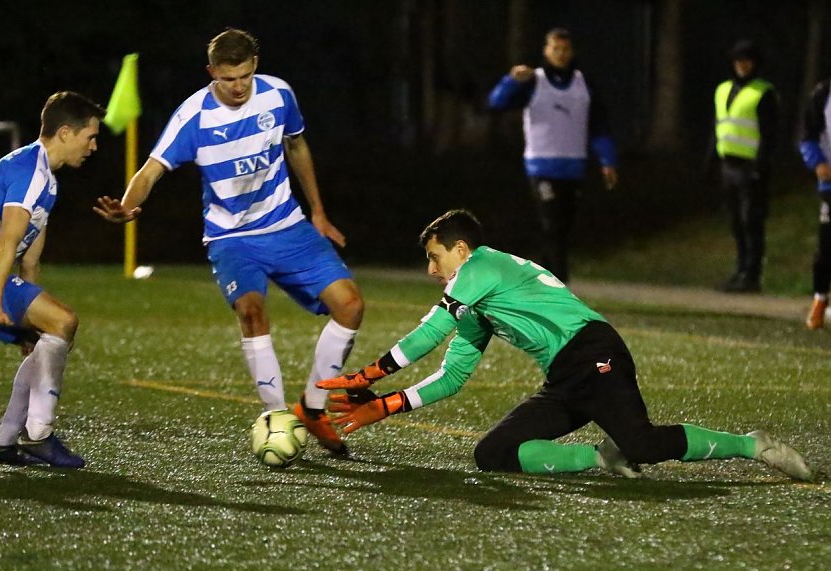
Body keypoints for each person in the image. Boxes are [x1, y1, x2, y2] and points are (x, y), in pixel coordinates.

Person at [316, 209, 812, 481]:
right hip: (565, 374)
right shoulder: (476, 300)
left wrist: (369, 376)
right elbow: (452, 375)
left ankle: (753, 445)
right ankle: (602, 458)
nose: (431, 269)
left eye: (434, 256)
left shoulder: (482, 266)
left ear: (460, 251)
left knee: (642, 441)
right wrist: (388, 405)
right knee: (493, 453)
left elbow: (429, 332)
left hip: (593, 350)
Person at [94, 28, 362, 455]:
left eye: (243, 77)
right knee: (252, 311)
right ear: (211, 72)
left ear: (255, 64)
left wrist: (318, 211)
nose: (237, 87)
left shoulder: (278, 95)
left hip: (287, 225)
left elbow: (297, 145)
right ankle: (276, 415)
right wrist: (128, 206)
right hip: (231, 237)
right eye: (227, 79)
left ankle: (312, 408)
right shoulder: (193, 117)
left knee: (350, 306)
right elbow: (150, 171)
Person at [0, 91, 105, 468]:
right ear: (65, 132)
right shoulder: (30, 170)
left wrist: (30, 320)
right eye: (90, 137)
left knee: (52, 328)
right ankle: (38, 434)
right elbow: (7, 241)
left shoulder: (47, 179)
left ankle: (5, 441)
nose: (94, 147)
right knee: (63, 321)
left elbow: (29, 258)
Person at [487, 28, 617, 283]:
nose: (560, 54)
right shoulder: (533, 81)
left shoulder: (583, 84)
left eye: (565, 49)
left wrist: (608, 160)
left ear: (572, 51)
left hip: (574, 168)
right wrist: (511, 81)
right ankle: (561, 286)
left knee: (562, 229)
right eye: (555, 48)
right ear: (546, 50)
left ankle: (539, 280)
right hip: (542, 167)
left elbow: (599, 125)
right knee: (553, 225)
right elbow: (495, 104)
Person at [711, 40, 778, 293]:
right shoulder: (723, 89)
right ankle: (740, 270)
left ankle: (752, 275)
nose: (742, 65)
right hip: (728, 165)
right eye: (738, 60)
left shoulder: (763, 92)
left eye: (747, 60)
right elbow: (717, 127)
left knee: (752, 222)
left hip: (751, 167)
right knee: (736, 222)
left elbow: (770, 135)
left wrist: (760, 167)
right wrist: (711, 163)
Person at [800, 78, 831, 330]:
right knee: (826, 247)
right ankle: (820, 299)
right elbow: (808, 137)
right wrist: (818, 163)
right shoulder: (823, 94)